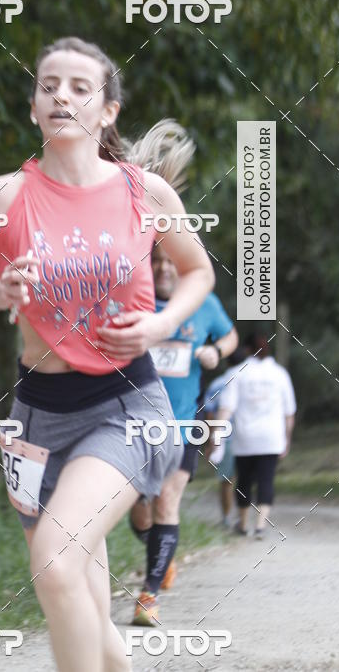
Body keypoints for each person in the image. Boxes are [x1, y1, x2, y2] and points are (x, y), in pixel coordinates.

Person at [0, 36, 216, 672]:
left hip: (127, 405)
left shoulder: (145, 193)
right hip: (36, 419)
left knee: (54, 562)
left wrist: (161, 324)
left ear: (107, 111)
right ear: (33, 107)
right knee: (81, 597)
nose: (61, 95)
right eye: (48, 85)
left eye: (81, 87)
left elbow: (199, 272)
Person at [129, 242, 238, 626]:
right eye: (155, 260)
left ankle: (149, 596)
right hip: (133, 427)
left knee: (166, 502)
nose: (163, 268)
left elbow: (230, 336)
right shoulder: (132, 299)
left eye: (170, 261)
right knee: (140, 513)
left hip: (182, 423)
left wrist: (216, 352)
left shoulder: (202, 303)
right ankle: (164, 554)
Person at [218, 333, 296, 539]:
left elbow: (226, 408)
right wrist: (287, 439)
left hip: (245, 438)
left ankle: (243, 524)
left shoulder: (236, 373)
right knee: (266, 480)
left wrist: (216, 435)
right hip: (272, 437)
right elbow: (289, 412)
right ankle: (260, 526)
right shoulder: (280, 374)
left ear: (246, 350)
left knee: (244, 480)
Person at [203, 345, 249, 527]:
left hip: (225, 438)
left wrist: (210, 441)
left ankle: (227, 518)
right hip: (247, 437)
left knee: (226, 480)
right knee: (245, 479)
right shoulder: (251, 380)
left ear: (227, 362)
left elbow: (209, 414)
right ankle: (243, 518)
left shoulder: (217, 384)